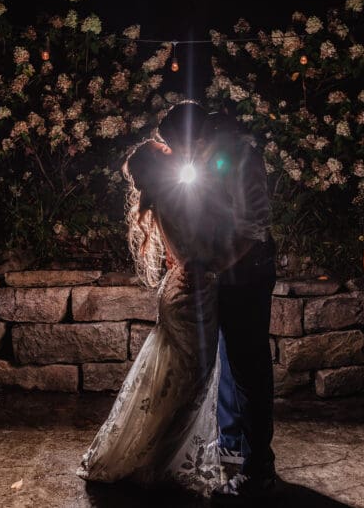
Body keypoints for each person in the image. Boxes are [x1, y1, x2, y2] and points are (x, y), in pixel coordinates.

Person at [76, 138, 236, 495]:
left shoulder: (166, 196)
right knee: (187, 385)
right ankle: (153, 463)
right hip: (191, 298)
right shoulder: (178, 196)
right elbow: (200, 250)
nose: (174, 151)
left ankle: (153, 460)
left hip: (182, 292)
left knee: (174, 382)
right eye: (165, 151)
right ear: (160, 164)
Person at [157, 101, 280, 502]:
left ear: (194, 136)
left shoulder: (240, 156)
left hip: (250, 272)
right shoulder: (205, 157)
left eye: (178, 145)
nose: (180, 154)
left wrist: (212, 266)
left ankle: (259, 470)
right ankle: (232, 444)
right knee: (228, 360)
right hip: (224, 273)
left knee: (249, 368)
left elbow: (254, 227)